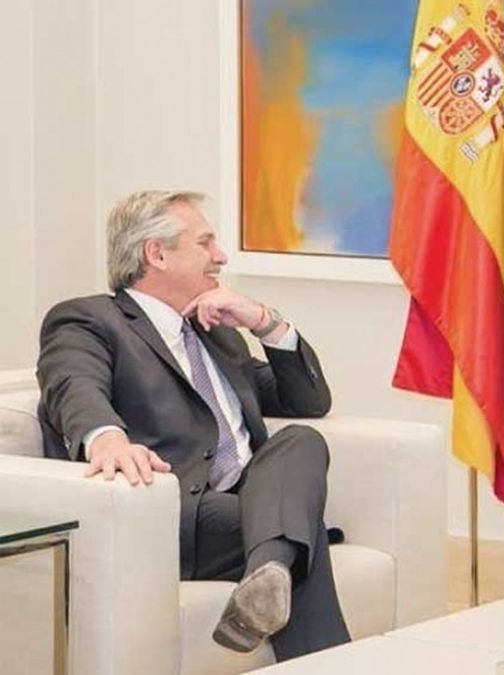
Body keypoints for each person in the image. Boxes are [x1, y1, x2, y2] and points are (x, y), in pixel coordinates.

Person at [36, 191, 350, 659]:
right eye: (206, 243)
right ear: (156, 253)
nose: (220, 256)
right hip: (179, 510)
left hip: (252, 498)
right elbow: (73, 383)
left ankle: (269, 571)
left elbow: (308, 401)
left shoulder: (217, 330)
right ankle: (280, 561)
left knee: (302, 439)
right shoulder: (91, 320)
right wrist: (106, 437)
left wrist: (264, 322)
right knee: (297, 531)